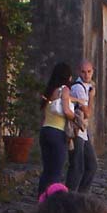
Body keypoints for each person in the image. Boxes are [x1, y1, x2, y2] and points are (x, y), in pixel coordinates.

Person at [38, 63, 75, 201]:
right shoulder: (64, 90)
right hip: (57, 133)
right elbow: (66, 110)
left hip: (45, 131)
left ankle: (41, 200)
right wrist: (74, 117)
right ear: (67, 76)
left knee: (46, 170)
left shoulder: (50, 90)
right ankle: (52, 203)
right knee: (56, 171)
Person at [66, 60, 97, 193]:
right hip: (76, 131)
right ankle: (70, 196)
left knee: (91, 165)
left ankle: (81, 196)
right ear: (79, 72)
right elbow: (88, 113)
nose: (86, 75)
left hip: (83, 132)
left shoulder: (87, 86)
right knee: (77, 167)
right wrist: (91, 97)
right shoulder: (79, 88)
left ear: (92, 72)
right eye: (84, 72)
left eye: (89, 72)